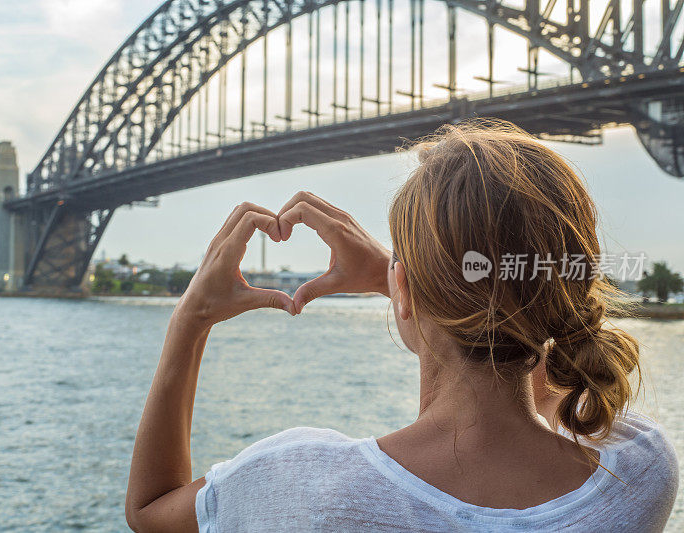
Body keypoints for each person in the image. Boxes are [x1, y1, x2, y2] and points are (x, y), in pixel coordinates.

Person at [125, 121, 678, 532]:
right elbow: (528, 341)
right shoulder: (640, 473)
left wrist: (189, 320)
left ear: (405, 291)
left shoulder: (302, 487)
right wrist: (403, 276)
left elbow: (150, 510)